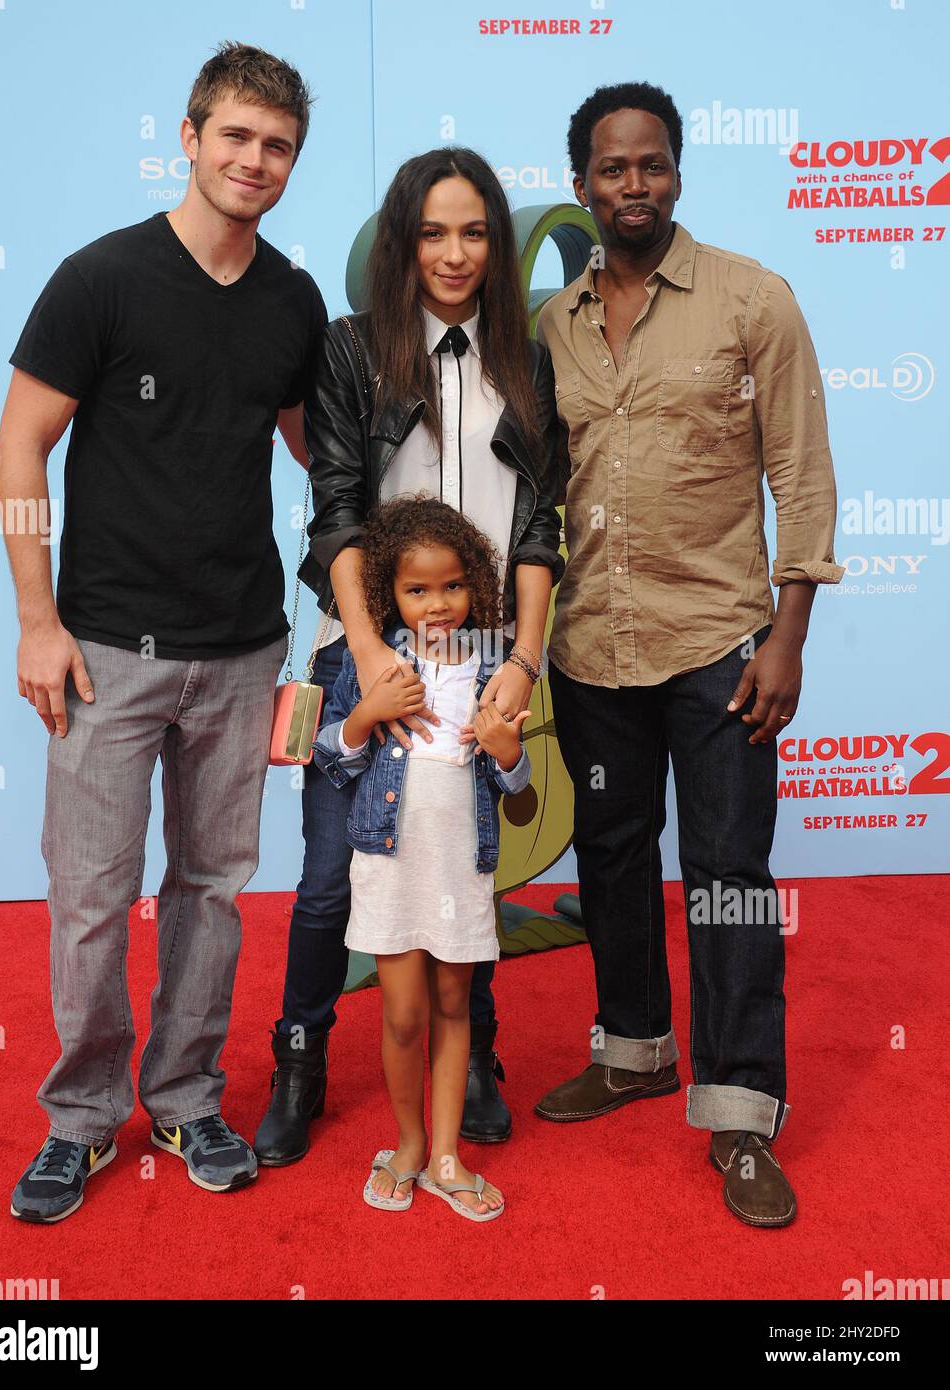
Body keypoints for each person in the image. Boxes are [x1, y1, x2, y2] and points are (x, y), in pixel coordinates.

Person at [0, 42, 327, 1223]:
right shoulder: (102, 279)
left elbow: (311, 450)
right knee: (90, 895)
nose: (254, 160)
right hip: (104, 649)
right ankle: (81, 1120)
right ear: (189, 137)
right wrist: (38, 620)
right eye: (235, 136)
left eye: (277, 145)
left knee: (211, 889)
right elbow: (19, 442)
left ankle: (186, 1095)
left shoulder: (293, 299)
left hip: (244, 650)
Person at [533, 82, 843, 1228]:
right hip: (589, 649)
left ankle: (741, 1109)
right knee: (611, 856)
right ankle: (633, 1049)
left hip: (718, 644)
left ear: (677, 173)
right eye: (612, 168)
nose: (633, 185)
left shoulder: (750, 300)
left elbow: (800, 475)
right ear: (580, 184)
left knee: (726, 881)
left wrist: (787, 637)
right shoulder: (555, 325)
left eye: (652, 164)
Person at [253, 147, 563, 1166]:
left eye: (475, 231)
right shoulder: (351, 350)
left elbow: (536, 527)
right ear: (402, 241)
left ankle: (473, 1058)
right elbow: (335, 510)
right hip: (366, 650)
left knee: (464, 871)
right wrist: (372, 653)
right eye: (433, 231)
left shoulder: (525, 357)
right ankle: (299, 1054)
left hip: (481, 656)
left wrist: (519, 659)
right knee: (330, 880)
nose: (455, 252)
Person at [313, 496, 530, 1220]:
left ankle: (444, 1155)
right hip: (389, 861)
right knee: (402, 1013)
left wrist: (507, 755)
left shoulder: (498, 667)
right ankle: (406, 1144)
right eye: (416, 589)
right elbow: (332, 760)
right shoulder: (371, 659)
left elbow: (520, 792)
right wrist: (365, 717)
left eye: (453, 586)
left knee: (452, 1003)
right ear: (389, 593)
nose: (437, 605)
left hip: (461, 863)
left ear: (477, 586)